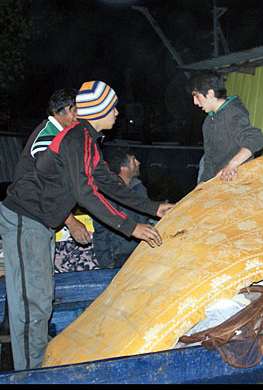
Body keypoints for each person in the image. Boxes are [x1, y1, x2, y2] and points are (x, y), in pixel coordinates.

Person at [0, 80, 174, 371]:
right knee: (31, 304)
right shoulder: (75, 138)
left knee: (42, 299)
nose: (117, 112)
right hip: (25, 218)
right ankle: (30, 374)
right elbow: (86, 193)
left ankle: (36, 364)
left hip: (41, 222)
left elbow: (108, 183)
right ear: (99, 111)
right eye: (113, 107)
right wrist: (131, 227)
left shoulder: (88, 141)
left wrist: (153, 207)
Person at [11, 88, 91, 246]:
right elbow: (47, 186)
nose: (79, 117)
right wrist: (71, 222)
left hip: (38, 215)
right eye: (75, 111)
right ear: (58, 111)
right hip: (27, 216)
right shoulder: (48, 137)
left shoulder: (61, 136)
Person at [188, 71, 263, 183]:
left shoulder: (232, 113)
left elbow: (254, 138)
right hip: (221, 182)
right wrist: (203, 183)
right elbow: (209, 159)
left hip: (240, 179)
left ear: (210, 93)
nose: (195, 102)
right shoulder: (208, 122)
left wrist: (233, 164)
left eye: (196, 96)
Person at [91, 147, 151, 269]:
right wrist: (107, 263)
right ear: (123, 169)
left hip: (141, 253)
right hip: (120, 256)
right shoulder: (109, 192)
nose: (138, 163)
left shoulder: (140, 188)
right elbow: (102, 232)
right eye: (133, 161)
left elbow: (145, 221)